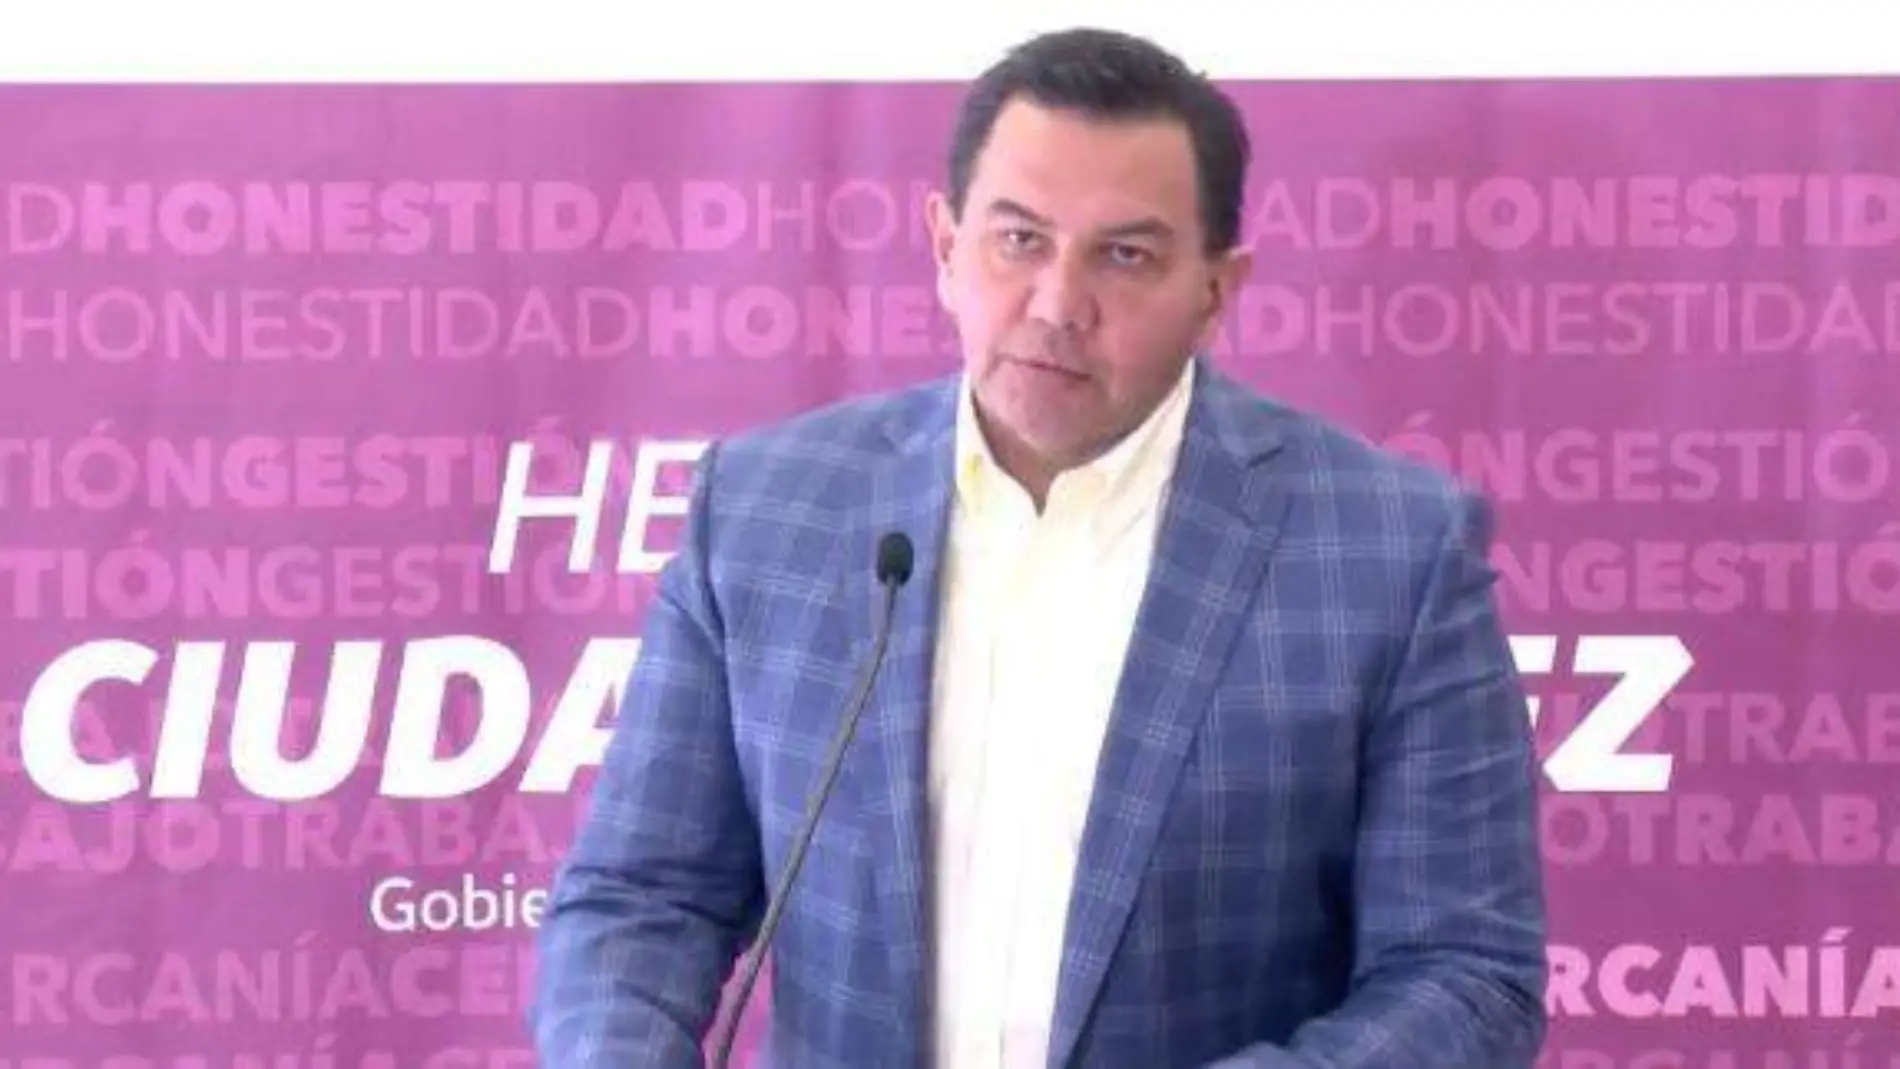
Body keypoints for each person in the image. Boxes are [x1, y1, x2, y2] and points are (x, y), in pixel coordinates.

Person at [531, 26, 1549, 1069]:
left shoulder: (1390, 550)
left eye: (1125, 256)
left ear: (1216, 290)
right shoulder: (767, 509)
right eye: (1019, 240)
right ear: (944, 246)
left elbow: (1466, 973)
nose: (1059, 306)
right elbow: (641, 896)